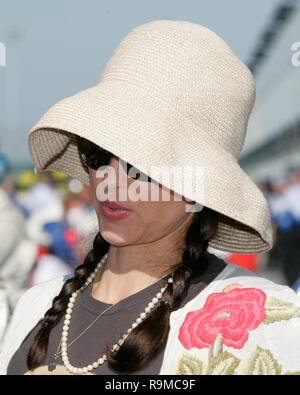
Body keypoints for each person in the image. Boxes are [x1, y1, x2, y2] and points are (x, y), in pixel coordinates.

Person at [1, 19, 300, 375]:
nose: (111, 180)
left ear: (199, 184)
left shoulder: (270, 326)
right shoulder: (35, 305)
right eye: (97, 155)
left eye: (138, 164)